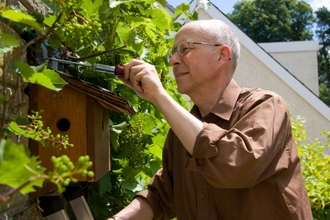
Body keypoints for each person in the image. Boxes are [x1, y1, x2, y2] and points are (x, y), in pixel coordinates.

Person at [108, 19, 312, 220]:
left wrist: (159, 96)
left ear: (221, 55)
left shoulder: (266, 105)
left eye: (185, 49)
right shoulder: (181, 133)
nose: (172, 61)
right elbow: (160, 196)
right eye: (173, 53)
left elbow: (235, 165)